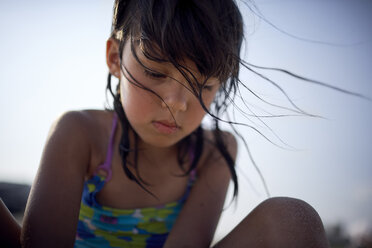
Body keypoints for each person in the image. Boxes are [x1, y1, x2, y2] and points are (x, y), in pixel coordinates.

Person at [19, 0, 329, 247]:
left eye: (203, 86)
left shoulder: (214, 153)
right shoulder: (80, 133)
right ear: (115, 57)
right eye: (155, 73)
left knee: (292, 220)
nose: (177, 102)